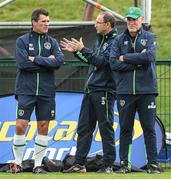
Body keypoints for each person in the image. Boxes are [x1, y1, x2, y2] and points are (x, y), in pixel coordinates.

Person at [8, 8, 64, 174]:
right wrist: (48, 61)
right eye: (43, 21)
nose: (47, 24)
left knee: (44, 126)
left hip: (46, 91)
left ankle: (38, 165)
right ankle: (18, 164)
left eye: (48, 21)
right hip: (26, 90)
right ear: (34, 22)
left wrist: (35, 59)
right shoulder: (22, 41)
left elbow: (59, 62)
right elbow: (22, 64)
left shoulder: (52, 42)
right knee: (20, 125)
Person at [60, 12, 117, 173]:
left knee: (106, 127)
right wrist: (77, 52)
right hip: (90, 89)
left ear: (108, 24)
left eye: (98, 22)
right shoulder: (99, 39)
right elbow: (91, 61)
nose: (95, 25)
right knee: (84, 128)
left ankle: (108, 165)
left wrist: (83, 49)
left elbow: (103, 62)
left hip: (104, 90)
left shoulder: (116, 42)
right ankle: (79, 164)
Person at [109, 7, 162, 174]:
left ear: (141, 20)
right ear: (126, 21)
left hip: (147, 91)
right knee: (125, 128)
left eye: (135, 19)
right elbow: (113, 63)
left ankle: (152, 164)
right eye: (129, 19)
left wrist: (125, 57)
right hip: (125, 92)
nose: (132, 22)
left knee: (148, 128)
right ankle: (125, 164)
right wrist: (138, 60)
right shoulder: (118, 40)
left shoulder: (150, 37)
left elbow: (149, 57)